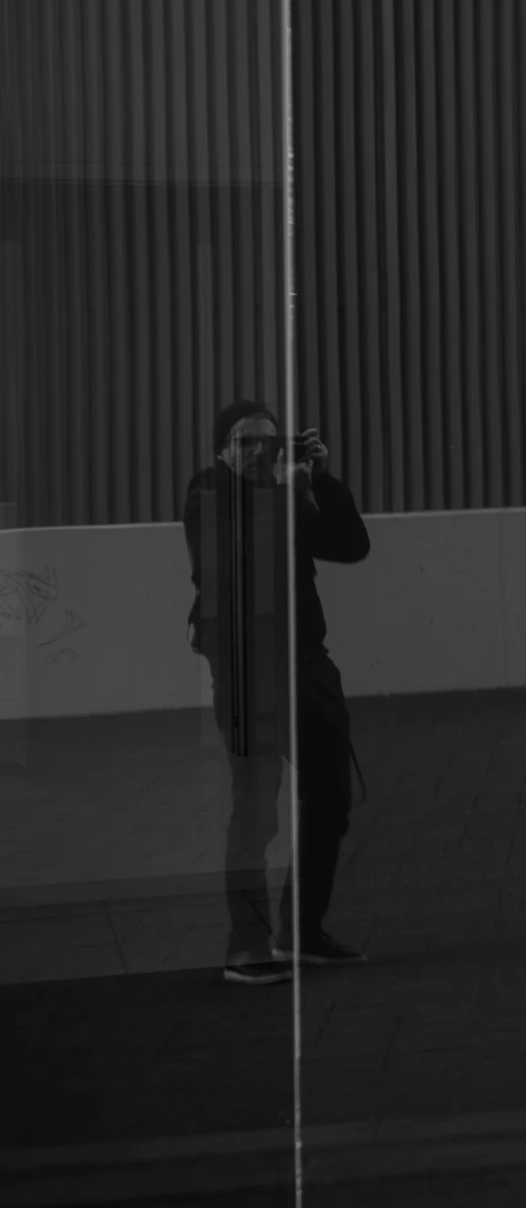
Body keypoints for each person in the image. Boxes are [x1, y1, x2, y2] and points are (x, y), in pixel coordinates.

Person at [184, 400, 371, 985]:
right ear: (221, 450)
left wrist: (324, 480)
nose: (259, 453)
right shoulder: (208, 494)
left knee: (330, 801)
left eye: (270, 442)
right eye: (246, 442)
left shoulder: (287, 493)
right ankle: (246, 947)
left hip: (306, 667)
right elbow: (252, 547)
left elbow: (350, 545)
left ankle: (301, 931)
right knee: (257, 811)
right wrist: (293, 491)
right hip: (246, 675)